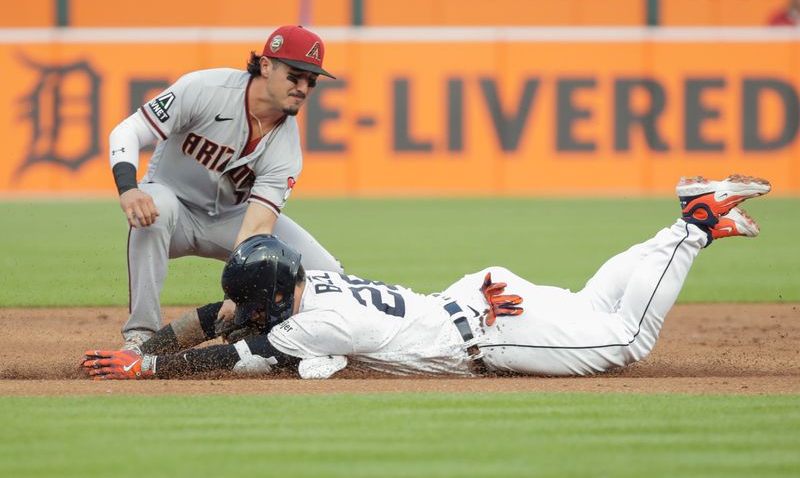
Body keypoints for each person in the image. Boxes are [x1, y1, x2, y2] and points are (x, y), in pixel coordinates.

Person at [82, 174, 771, 380]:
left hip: (491, 330)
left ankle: (693, 225)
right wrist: (148, 345)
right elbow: (218, 315)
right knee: (595, 302)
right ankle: (685, 218)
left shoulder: (316, 321)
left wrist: (147, 369)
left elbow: (233, 351)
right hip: (477, 297)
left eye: (248, 299)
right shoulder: (308, 284)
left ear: (267, 294)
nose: (240, 306)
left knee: (625, 337)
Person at [108, 25, 343, 349]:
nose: (303, 87)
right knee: (155, 210)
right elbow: (129, 130)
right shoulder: (206, 88)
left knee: (328, 272)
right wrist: (128, 188)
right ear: (265, 66)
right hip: (173, 205)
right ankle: (140, 336)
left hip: (231, 221)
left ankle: (302, 342)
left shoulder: (286, 146)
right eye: (294, 76)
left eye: (311, 81)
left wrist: (238, 294)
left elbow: (257, 226)